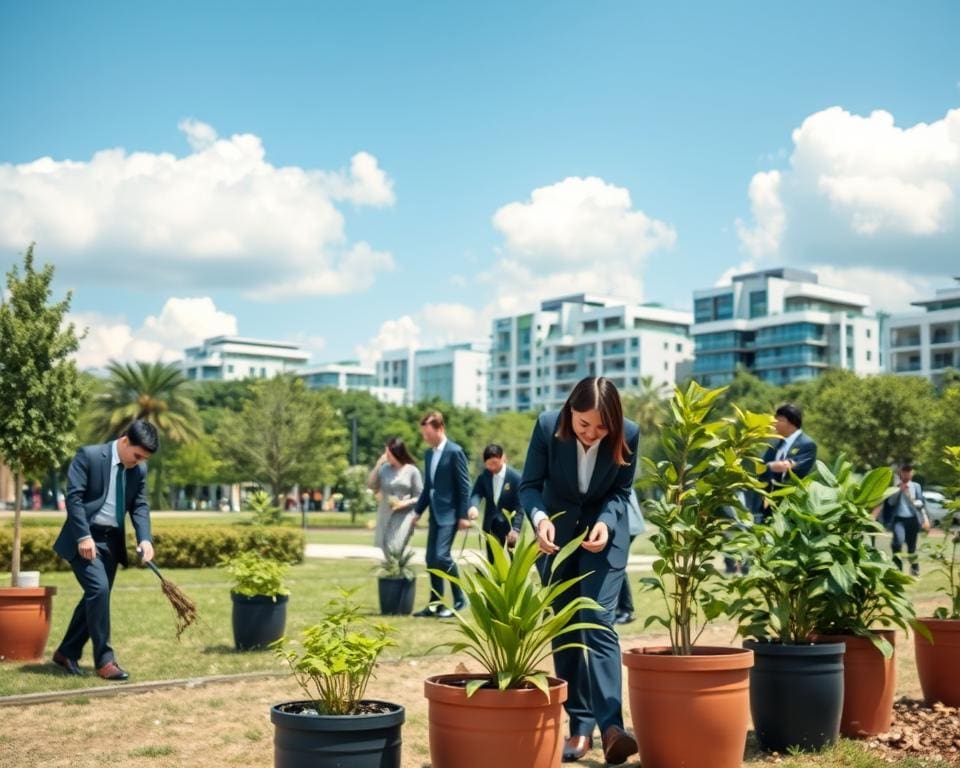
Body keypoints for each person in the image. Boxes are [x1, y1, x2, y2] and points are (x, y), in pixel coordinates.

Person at [519, 376, 640, 766]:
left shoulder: (630, 434)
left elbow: (621, 492)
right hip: (554, 536)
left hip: (604, 537)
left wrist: (606, 520)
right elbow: (530, 486)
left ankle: (611, 728)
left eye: (602, 428)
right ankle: (581, 725)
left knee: (597, 619)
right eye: (583, 424)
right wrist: (539, 520)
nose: (591, 435)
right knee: (568, 625)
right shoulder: (545, 426)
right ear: (571, 411)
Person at [51, 420, 159, 681]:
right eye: (137, 455)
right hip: (83, 539)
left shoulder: (138, 470)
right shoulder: (88, 456)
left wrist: (145, 539)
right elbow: (74, 497)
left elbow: (140, 506)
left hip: (111, 542)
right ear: (124, 441)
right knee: (98, 591)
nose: (139, 462)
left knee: (95, 596)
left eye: (144, 458)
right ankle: (105, 661)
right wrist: (84, 536)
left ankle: (66, 652)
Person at [412, 411, 472, 618]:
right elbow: (429, 487)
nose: (425, 438)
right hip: (435, 515)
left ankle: (459, 600)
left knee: (442, 556)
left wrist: (464, 515)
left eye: (428, 433)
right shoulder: (429, 454)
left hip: (451, 515)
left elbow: (464, 486)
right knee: (431, 559)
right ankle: (435, 604)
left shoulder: (455, 452)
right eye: (423, 434)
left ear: (440, 429)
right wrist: (417, 512)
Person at [748, 403, 818, 522]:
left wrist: (768, 466)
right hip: (767, 505)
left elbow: (787, 466)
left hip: (792, 504)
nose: (774, 423)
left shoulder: (807, 444)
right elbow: (761, 468)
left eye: (779, 420)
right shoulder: (775, 443)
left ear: (791, 422)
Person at [467, 444, 524, 562]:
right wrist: (473, 506)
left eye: (495, 463)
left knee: (510, 563)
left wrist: (516, 529)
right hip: (490, 527)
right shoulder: (484, 477)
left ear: (503, 458)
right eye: (488, 464)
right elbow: (476, 493)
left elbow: (520, 506)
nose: (492, 467)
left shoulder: (515, 478)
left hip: (509, 530)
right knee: (492, 562)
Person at [367, 437, 423, 556]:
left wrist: (404, 503)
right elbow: (371, 485)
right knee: (386, 549)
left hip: (404, 516)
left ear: (397, 453)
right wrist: (378, 465)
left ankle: (398, 573)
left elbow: (420, 496)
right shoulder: (384, 469)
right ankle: (395, 574)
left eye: (388, 453)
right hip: (385, 514)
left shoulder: (412, 471)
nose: (386, 456)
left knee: (396, 548)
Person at [877, 462, 930, 575]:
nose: (906, 474)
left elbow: (921, 501)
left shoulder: (916, 486)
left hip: (912, 519)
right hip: (899, 520)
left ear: (911, 473)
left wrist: (914, 501)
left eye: (909, 472)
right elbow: (890, 503)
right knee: (897, 543)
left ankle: (915, 569)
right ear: (901, 473)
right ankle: (897, 568)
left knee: (912, 546)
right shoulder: (895, 487)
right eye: (904, 472)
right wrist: (899, 491)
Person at [613, 489, 644, 624]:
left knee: (615, 565)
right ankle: (623, 609)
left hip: (626, 524)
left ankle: (625, 610)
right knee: (615, 565)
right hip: (627, 524)